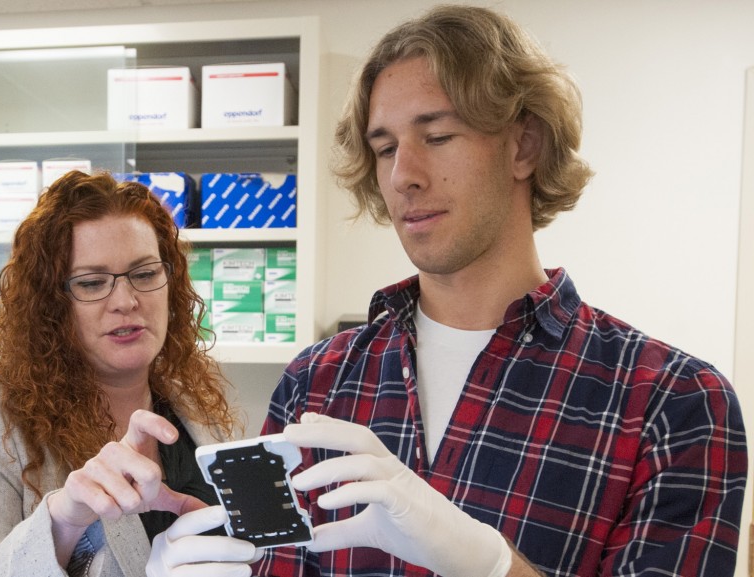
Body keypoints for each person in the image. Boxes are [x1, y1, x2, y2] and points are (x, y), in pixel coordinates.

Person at [148, 4, 748, 577]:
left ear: (523, 145)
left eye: (436, 136)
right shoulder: (319, 381)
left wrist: (491, 565)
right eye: (385, 148)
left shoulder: (673, 403)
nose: (403, 174)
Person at [0, 170, 243, 577]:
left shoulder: (190, 404)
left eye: (144, 275)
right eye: (92, 283)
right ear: (49, 304)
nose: (126, 301)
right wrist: (62, 522)